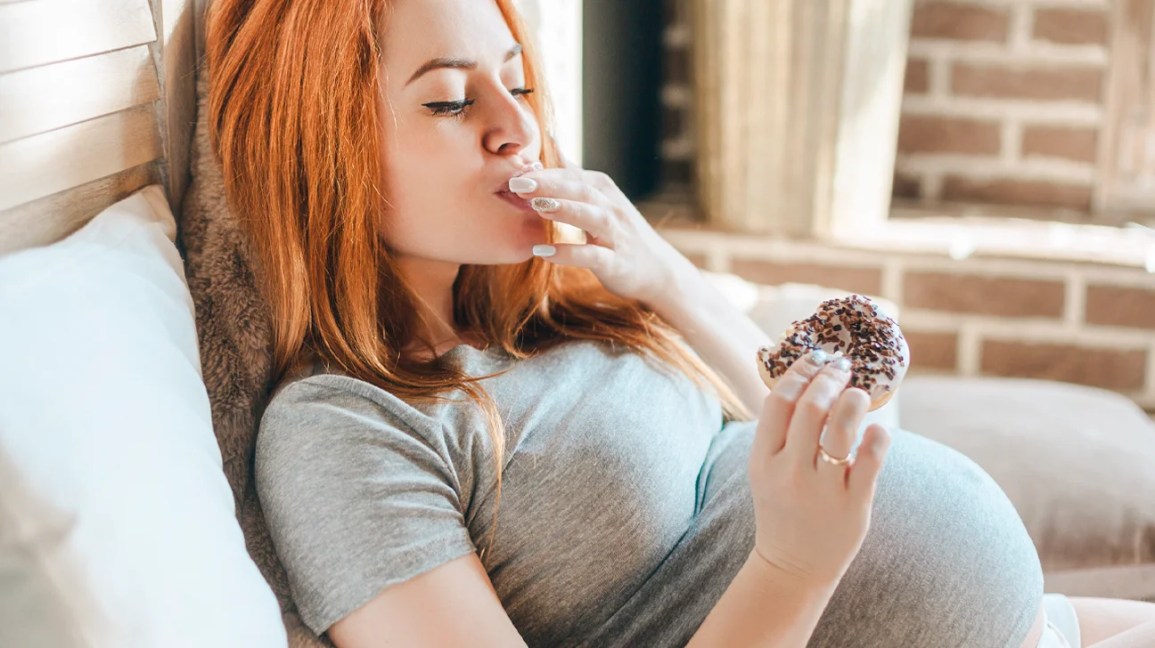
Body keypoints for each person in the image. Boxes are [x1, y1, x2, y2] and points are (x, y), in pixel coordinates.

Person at [203, 0, 1155, 645]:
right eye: (451, 100)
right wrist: (790, 567)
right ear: (322, 149)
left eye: (518, 83)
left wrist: (668, 282)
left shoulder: (558, 310)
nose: (516, 129)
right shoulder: (344, 433)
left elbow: (810, 433)